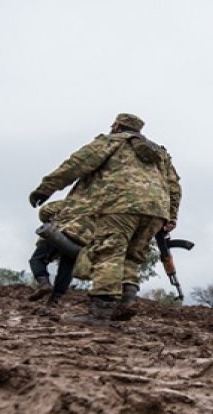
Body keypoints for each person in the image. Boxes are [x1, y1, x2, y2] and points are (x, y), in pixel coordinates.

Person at [28, 113, 177, 324]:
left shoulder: (111, 141)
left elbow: (77, 164)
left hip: (119, 204)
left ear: (117, 126)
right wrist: (171, 217)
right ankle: (127, 300)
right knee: (132, 256)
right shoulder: (161, 155)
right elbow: (174, 186)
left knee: (108, 253)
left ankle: (100, 313)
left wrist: (45, 188)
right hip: (157, 210)